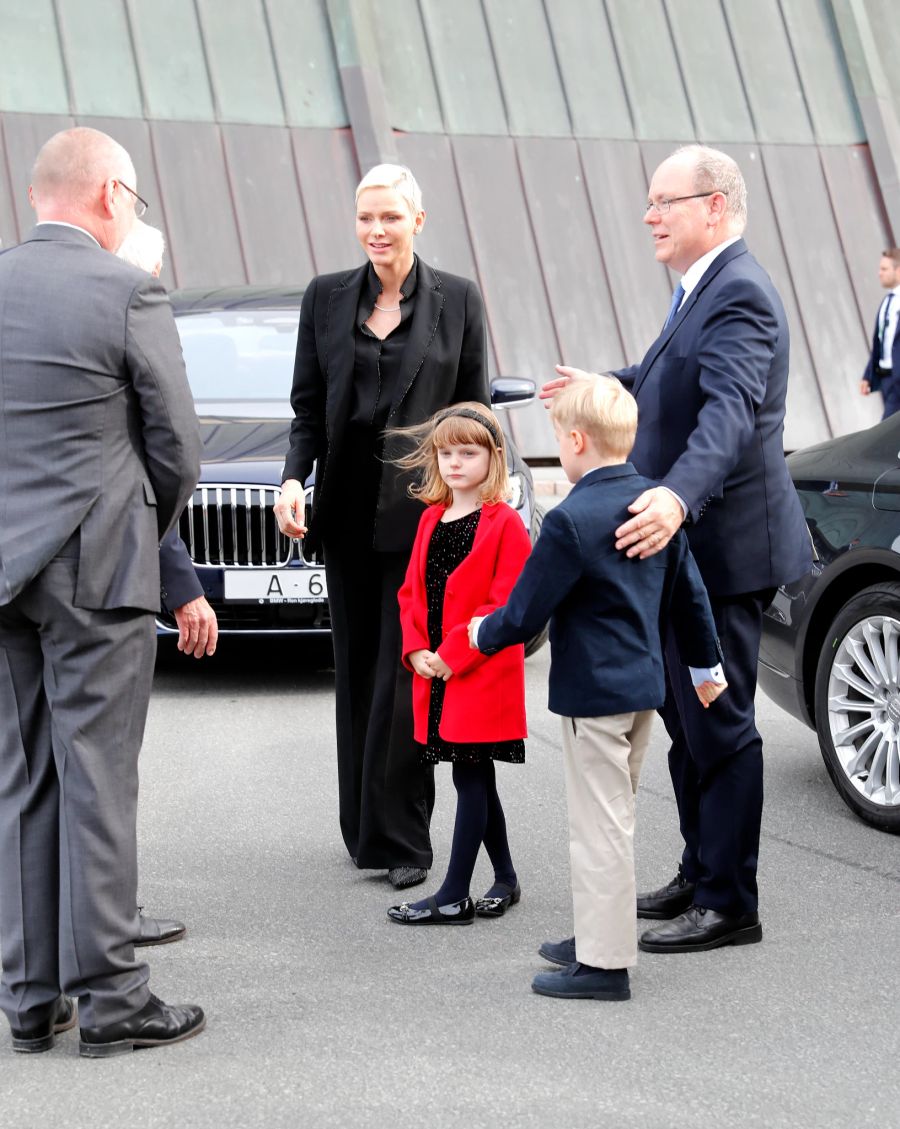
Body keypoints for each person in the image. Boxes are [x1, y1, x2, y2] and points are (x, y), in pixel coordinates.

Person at [542, 144, 811, 954]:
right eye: (650, 201)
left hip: (724, 551)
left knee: (719, 721)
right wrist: (612, 378)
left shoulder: (741, 297)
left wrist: (676, 492)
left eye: (665, 201)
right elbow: (672, 380)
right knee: (685, 720)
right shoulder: (699, 289)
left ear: (715, 207)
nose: (650, 215)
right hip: (682, 548)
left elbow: (727, 413)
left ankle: (732, 902)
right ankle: (701, 870)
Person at [0, 126, 205, 1056]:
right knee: (98, 782)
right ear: (112, 195)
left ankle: (29, 1000)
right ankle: (115, 999)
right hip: (98, 568)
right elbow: (178, 447)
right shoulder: (126, 288)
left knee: (23, 782)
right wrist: (140, 517)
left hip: (5, 568)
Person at [469, 378, 724, 999]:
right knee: (612, 820)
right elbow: (689, 596)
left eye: (558, 436)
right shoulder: (655, 506)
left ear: (576, 441)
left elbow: (526, 613)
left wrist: (480, 634)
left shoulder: (570, 520)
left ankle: (605, 967)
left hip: (593, 701)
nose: (560, 445)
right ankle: (593, 938)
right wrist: (705, 669)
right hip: (643, 693)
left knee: (599, 830)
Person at [273, 164, 490, 890]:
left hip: (425, 517)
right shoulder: (326, 298)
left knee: (408, 675)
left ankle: (405, 838)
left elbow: (476, 413)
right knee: (357, 674)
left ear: (417, 220)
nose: (375, 230)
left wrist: (471, 505)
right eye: (366, 217)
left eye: (390, 217)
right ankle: (362, 829)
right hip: (343, 515)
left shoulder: (457, 300)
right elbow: (308, 407)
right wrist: (291, 480)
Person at [386, 404, 531, 926]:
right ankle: (507, 878)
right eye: (445, 453)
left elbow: (504, 604)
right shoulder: (430, 519)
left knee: (471, 777)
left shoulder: (506, 525)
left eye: (467, 453)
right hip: (438, 674)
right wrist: (417, 652)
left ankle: (452, 893)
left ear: (491, 459)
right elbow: (410, 594)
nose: (454, 463)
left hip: (480, 675)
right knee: (475, 778)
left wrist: (452, 656)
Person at [116, 219, 218, 949]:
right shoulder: (129, 313)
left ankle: (35, 973)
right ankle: (107, 930)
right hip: (100, 582)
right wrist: (177, 583)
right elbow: (169, 459)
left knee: (30, 773)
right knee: (102, 765)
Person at [860, 247, 900, 418]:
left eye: (884, 269)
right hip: (886, 378)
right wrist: (868, 375)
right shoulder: (887, 302)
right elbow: (881, 341)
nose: (879, 273)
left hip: (897, 379)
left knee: (887, 433)